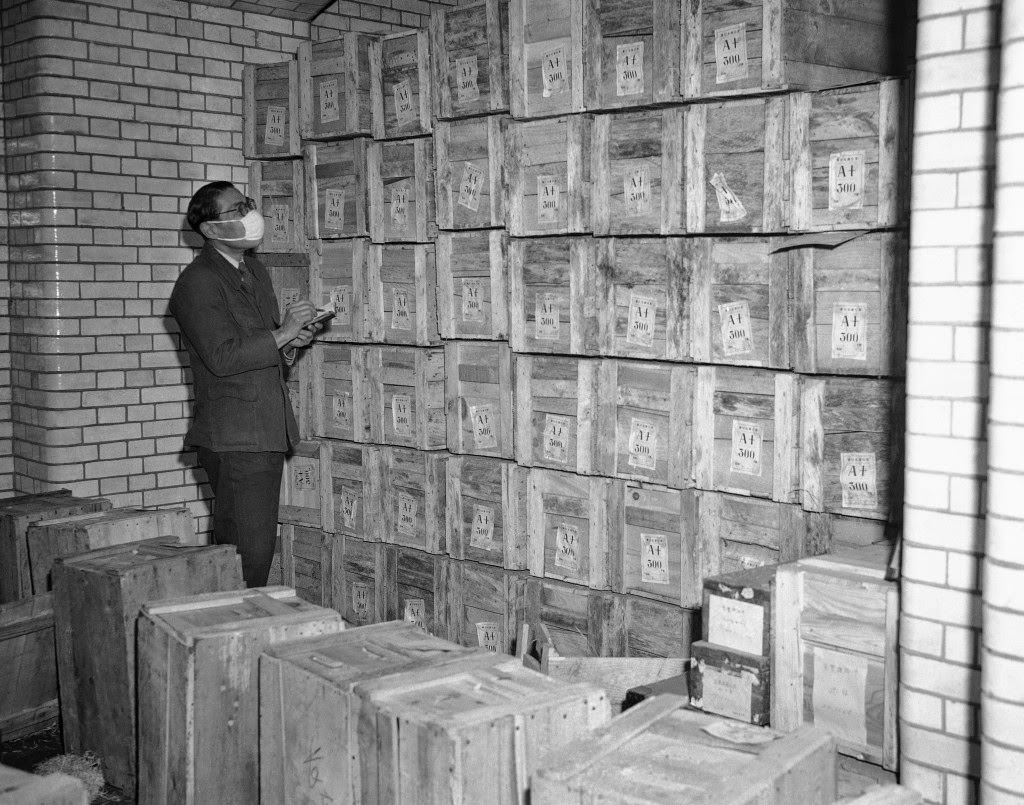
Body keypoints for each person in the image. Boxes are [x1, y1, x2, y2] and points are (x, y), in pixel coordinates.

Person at [170, 181, 320, 587]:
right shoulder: (197, 282)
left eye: (247, 204)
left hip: (263, 430)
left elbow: (260, 344)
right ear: (210, 229)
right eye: (237, 209)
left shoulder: (254, 271)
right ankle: (232, 623)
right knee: (245, 557)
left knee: (253, 551)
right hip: (236, 437)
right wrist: (282, 333)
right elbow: (222, 357)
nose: (250, 214)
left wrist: (291, 342)